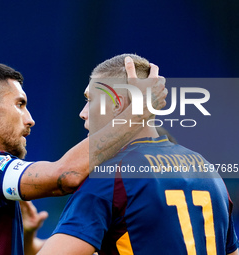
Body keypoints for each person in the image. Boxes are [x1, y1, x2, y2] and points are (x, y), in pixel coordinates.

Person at [0, 59, 167, 255]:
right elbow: (65, 175)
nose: (30, 119)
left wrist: (24, 238)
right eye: (20, 104)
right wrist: (135, 114)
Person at [37, 54, 239, 255]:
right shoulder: (209, 171)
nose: (83, 113)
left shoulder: (110, 177)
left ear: (118, 104)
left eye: (90, 99)